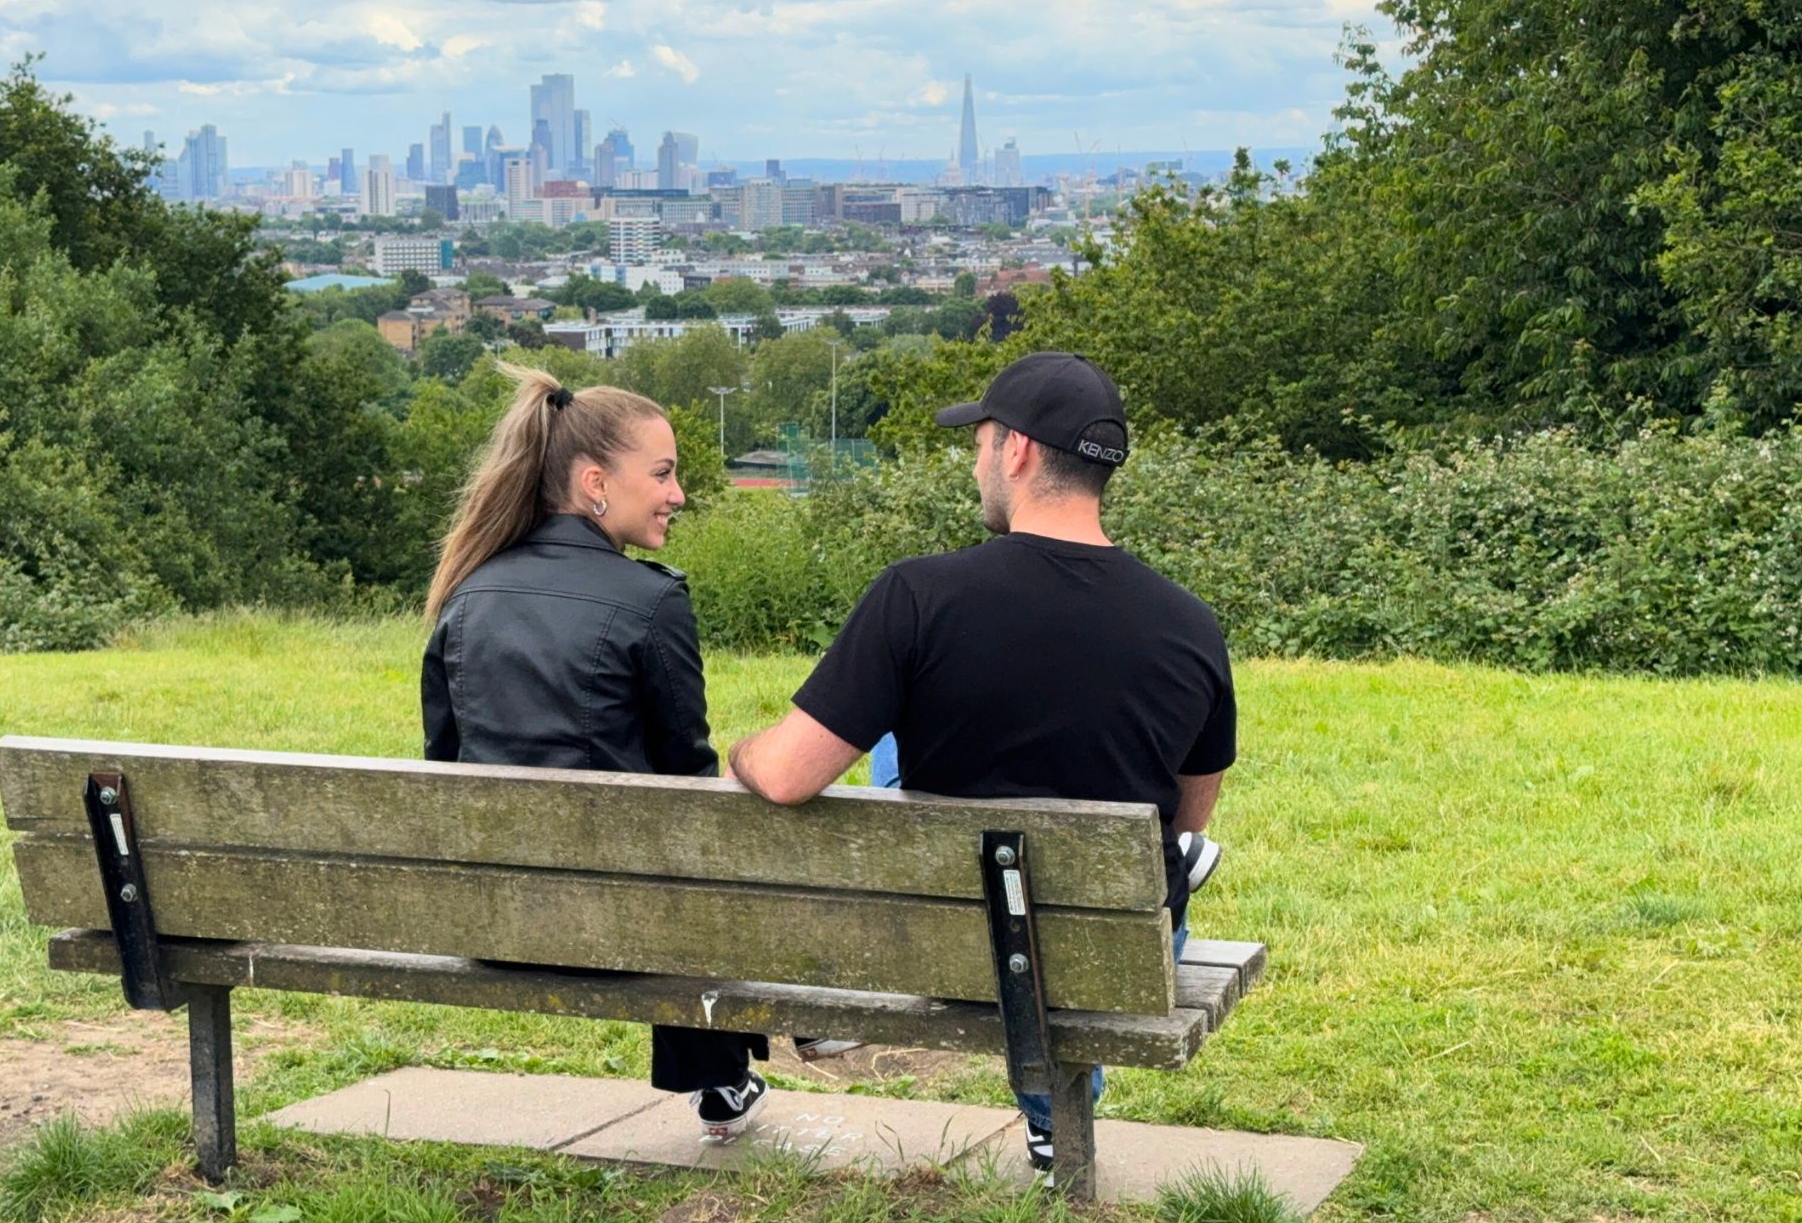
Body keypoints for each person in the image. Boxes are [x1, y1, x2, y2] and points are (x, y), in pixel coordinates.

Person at [726, 351, 1236, 1174]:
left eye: (979, 445)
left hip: (950, 941)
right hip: (1115, 951)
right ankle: (1053, 1120)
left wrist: (741, 751)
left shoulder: (917, 596)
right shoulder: (1191, 624)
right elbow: (1189, 815)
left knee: (895, 728)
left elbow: (785, 776)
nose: (975, 466)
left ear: (1018, 450)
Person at [420, 364, 772, 1141]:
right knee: (695, 845)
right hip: (619, 930)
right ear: (594, 483)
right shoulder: (652, 600)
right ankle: (718, 1078)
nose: (679, 494)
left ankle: (723, 1077)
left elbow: (442, 760)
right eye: (664, 473)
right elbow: (688, 780)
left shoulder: (467, 593)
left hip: (496, 924)